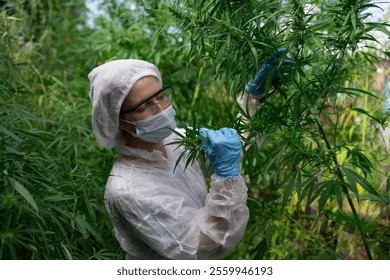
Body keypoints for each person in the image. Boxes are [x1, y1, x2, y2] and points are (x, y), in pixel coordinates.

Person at [88, 52, 290, 260]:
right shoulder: (128, 191)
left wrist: (253, 98)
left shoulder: (175, 141)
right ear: (119, 120)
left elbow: (235, 152)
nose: (161, 109)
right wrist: (227, 178)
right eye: (144, 106)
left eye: (161, 96)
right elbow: (201, 246)